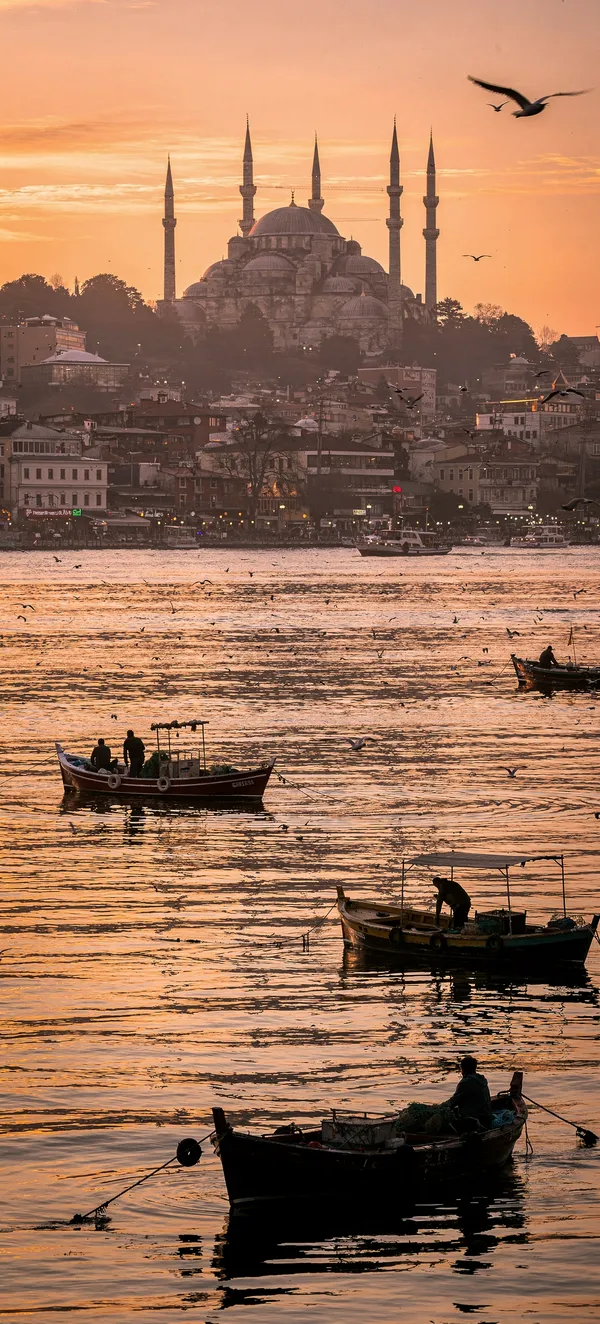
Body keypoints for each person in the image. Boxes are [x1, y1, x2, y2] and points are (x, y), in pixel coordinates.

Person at [447, 1055, 493, 1129]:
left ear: (463, 1069)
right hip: (487, 1120)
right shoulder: (482, 1080)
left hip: (476, 1123)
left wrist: (439, 1107)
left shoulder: (465, 1083)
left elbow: (453, 1102)